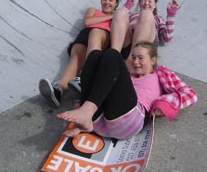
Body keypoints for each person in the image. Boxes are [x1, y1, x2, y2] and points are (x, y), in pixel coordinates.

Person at [57, 41, 197, 140]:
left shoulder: (161, 73)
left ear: (153, 60)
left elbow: (190, 94)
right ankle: (86, 121)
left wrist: (164, 104)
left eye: (140, 58)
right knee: (94, 55)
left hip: (129, 121)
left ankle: (86, 111)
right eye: (133, 57)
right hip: (99, 123)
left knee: (113, 54)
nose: (135, 62)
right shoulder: (128, 78)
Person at [38, 0, 120, 108]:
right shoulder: (93, 10)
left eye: (110, 0)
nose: (107, 2)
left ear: (116, 3)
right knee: (76, 59)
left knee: (96, 33)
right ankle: (58, 91)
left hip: (102, 36)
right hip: (84, 37)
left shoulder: (118, 17)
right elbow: (87, 22)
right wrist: (111, 16)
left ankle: (84, 78)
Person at [111, 0, 180, 59]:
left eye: (150, 1)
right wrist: (127, 7)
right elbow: (118, 24)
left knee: (146, 14)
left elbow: (167, 38)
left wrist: (171, 14)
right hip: (128, 41)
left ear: (155, 5)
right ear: (139, 3)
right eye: (143, 1)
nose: (146, 3)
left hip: (145, 46)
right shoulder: (131, 14)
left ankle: (133, 59)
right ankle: (113, 56)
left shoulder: (158, 18)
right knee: (120, 12)